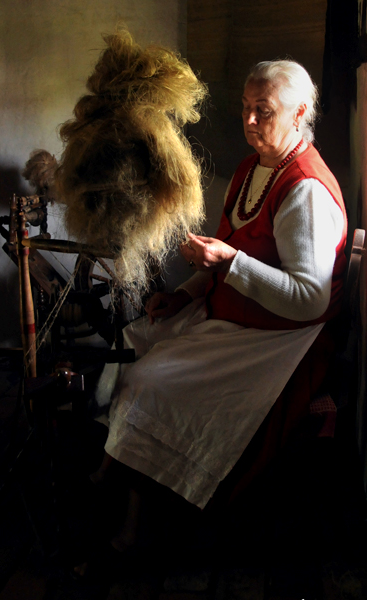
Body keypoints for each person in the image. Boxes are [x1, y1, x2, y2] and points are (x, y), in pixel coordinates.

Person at [91, 59, 347, 532]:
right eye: (246, 108)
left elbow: (309, 299)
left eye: (263, 110)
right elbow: (227, 251)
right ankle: (114, 470)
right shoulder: (252, 168)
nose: (250, 121)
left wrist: (229, 263)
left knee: (149, 382)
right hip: (234, 314)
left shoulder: (305, 190)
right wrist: (186, 295)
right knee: (133, 341)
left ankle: (135, 524)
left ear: (300, 113)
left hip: (279, 340)